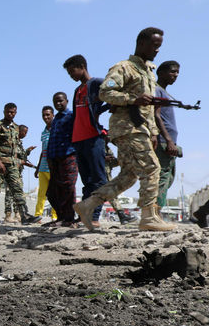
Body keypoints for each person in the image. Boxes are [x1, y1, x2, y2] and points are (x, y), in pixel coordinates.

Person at [74, 27, 175, 232]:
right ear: (141, 43)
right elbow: (105, 92)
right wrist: (131, 99)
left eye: (159, 47)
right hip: (127, 128)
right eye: (154, 46)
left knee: (128, 176)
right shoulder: (124, 67)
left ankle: (88, 205)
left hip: (141, 128)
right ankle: (149, 217)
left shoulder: (148, 72)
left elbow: (148, 109)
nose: (157, 50)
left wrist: (153, 132)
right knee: (151, 168)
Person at [64, 54, 111, 228]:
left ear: (82, 66)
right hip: (78, 139)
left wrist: (102, 109)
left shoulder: (97, 83)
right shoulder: (77, 90)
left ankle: (94, 216)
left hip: (93, 137)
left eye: (72, 72)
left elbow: (115, 94)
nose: (71, 76)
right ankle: (85, 215)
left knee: (99, 179)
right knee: (87, 181)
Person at [0, 103, 40, 224]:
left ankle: (24, 215)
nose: (10, 114)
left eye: (13, 112)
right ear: (4, 111)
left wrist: (16, 162)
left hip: (12, 164)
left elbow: (15, 147)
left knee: (18, 189)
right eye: (8, 112)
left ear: (15, 113)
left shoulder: (16, 127)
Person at [153, 60, 182, 210]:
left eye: (177, 72)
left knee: (168, 178)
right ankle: (155, 213)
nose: (175, 75)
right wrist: (169, 140)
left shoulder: (164, 92)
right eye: (172, 71)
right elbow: (156, 116)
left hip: (168, 140)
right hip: (164, 141)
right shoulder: (157, 90)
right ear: (160, 73)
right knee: (162, 178)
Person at [46, 93, 78, 227]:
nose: (58, 103)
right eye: (55, 102)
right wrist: (49, 157)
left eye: (60, 101)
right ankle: (60, 217)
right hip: (55, 159)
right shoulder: (56, 119)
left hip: (68, 156)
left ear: (66, 101)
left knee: (67, 187)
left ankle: (68, 218)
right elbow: (52, 139)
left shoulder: (71, 116)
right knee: (52, 191)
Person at [4, 124, 36, 222]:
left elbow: (22, 157)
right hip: (10, 171)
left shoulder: (19, 143)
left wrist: (27, 152)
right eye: (24, 132)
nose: (25, 134)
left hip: (18, 172)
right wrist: (21, 162)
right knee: (9, 193)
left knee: (18, 194)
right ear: (19, 131)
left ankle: (18, 214)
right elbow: (11, 157)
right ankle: (8, 215)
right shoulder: (12, 142)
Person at [103, 142, 137, 224]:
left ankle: (122, 215)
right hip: (99, 175)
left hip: (106, 175)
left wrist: (117, 160)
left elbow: (113, 163)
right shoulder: (97, 146)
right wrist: (103, 158)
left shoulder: (107, 148)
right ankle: (121, 215)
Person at [34, 106, 58, 221]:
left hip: (54, 167)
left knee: (55, 194)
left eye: (48, 115)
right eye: (44, 115)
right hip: (43, 168)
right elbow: (43, 151)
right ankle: (38, 215)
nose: (46, 117)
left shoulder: (57, 129)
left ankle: (55, 216)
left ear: (53, 115)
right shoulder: (43, 132)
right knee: (41, 194)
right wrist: (37, 167)